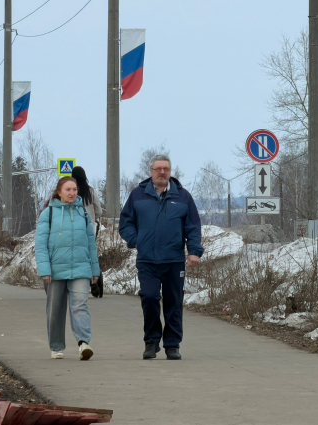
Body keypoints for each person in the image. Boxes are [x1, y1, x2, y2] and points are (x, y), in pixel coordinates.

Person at [119, 154, 203, 361]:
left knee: (174, 302)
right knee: (149, 297)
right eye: (158, 169)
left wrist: (194, 251)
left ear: (170, 171)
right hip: (147, 260)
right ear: (151, 172)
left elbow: (192, 226)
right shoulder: (138, 195)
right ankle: (151, 341)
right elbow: (125, 223)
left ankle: (172, 345)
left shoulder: (183, 197)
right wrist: (136, 240)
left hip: (174, 260)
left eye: (165, 168)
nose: (162, 172)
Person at [35, 177, 100, 361]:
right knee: (55, 309)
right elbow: (40, 245)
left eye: (74, 189)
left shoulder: (83, 214)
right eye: (68, 189)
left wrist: (95, 270)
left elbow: (91, 244)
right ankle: (56, 347)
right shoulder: (48, 214)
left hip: (80, 267)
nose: (72, 193)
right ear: (59, 192)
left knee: (80, 305)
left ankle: (83, 343)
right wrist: (44, 269)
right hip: (55, 270)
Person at [71, 166, 104, 298]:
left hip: (73, 229)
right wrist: (92, 218)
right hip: (89, 228)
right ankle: (94, 280)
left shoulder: (72, 192)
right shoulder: (90, 191)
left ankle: (75, 282)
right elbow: (99, 211)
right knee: (89, 255)